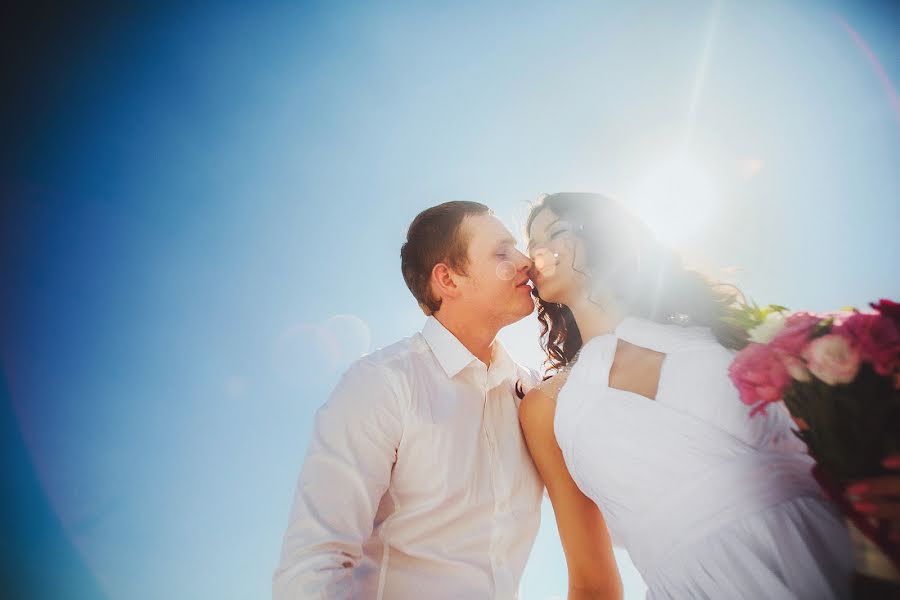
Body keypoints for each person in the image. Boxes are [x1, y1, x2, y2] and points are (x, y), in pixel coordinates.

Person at [518, 192, 853, 599]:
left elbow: (841, 444)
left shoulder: (720, 334)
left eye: (553, 234)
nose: (534, 256)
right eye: (531, 247)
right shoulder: (547, 406)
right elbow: (592, 582)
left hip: (826, 552)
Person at [273, 201, 543, 599]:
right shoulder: (383, 383)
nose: (525, 261)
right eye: (502, 252)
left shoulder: (532, 395)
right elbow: (315, 562)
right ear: (448, 280)